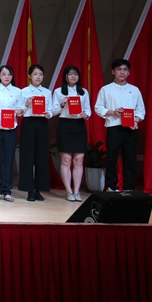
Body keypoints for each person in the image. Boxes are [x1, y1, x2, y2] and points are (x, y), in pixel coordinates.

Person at [95, 59, 145, 192]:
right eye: (119, 69)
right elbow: (98, 108)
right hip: (114, 127)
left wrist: (136, 120)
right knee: (111, 158)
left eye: (125, 69)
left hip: (130, 129)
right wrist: (113, 112)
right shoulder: (105, 89)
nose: (122, 72)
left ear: (128, 72)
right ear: (113, 72)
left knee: (130, 159)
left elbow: (141, 110)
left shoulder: (134, 90)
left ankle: (129, 187)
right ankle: (111, 186)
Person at [52, 65, 91, 201]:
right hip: (65, 125)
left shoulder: (84, 92)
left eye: (75, 74)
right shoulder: (58, 92)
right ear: (65, 76)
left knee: (79, 160)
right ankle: (69, 191)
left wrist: (85, 114)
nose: (73, 76)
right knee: (66, 160)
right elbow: (53, 111)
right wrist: (62, 104)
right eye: (70, 74)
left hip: (79, 126)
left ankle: (77, 191)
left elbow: (88, 110)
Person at [0, 65, 23, 202]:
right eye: (4, 74)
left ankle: (7, 190)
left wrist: (20, 111)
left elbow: (21, 108)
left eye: (9, 74)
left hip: (11, 129)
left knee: (9, 159)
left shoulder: (18, 91)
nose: (7, 77)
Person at [19, 64, 52, 202]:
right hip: (28, 123)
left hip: (42, 124)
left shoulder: (47, 92)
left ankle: (39, 189)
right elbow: (19, 111)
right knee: (27, 156)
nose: (38, 77)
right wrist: (26, 104)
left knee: (41, 156)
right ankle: (29, 190)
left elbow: (51, 109)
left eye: (40, 74)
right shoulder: (24, 91)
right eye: (35, 74)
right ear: (29, 76)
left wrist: (48, 114)